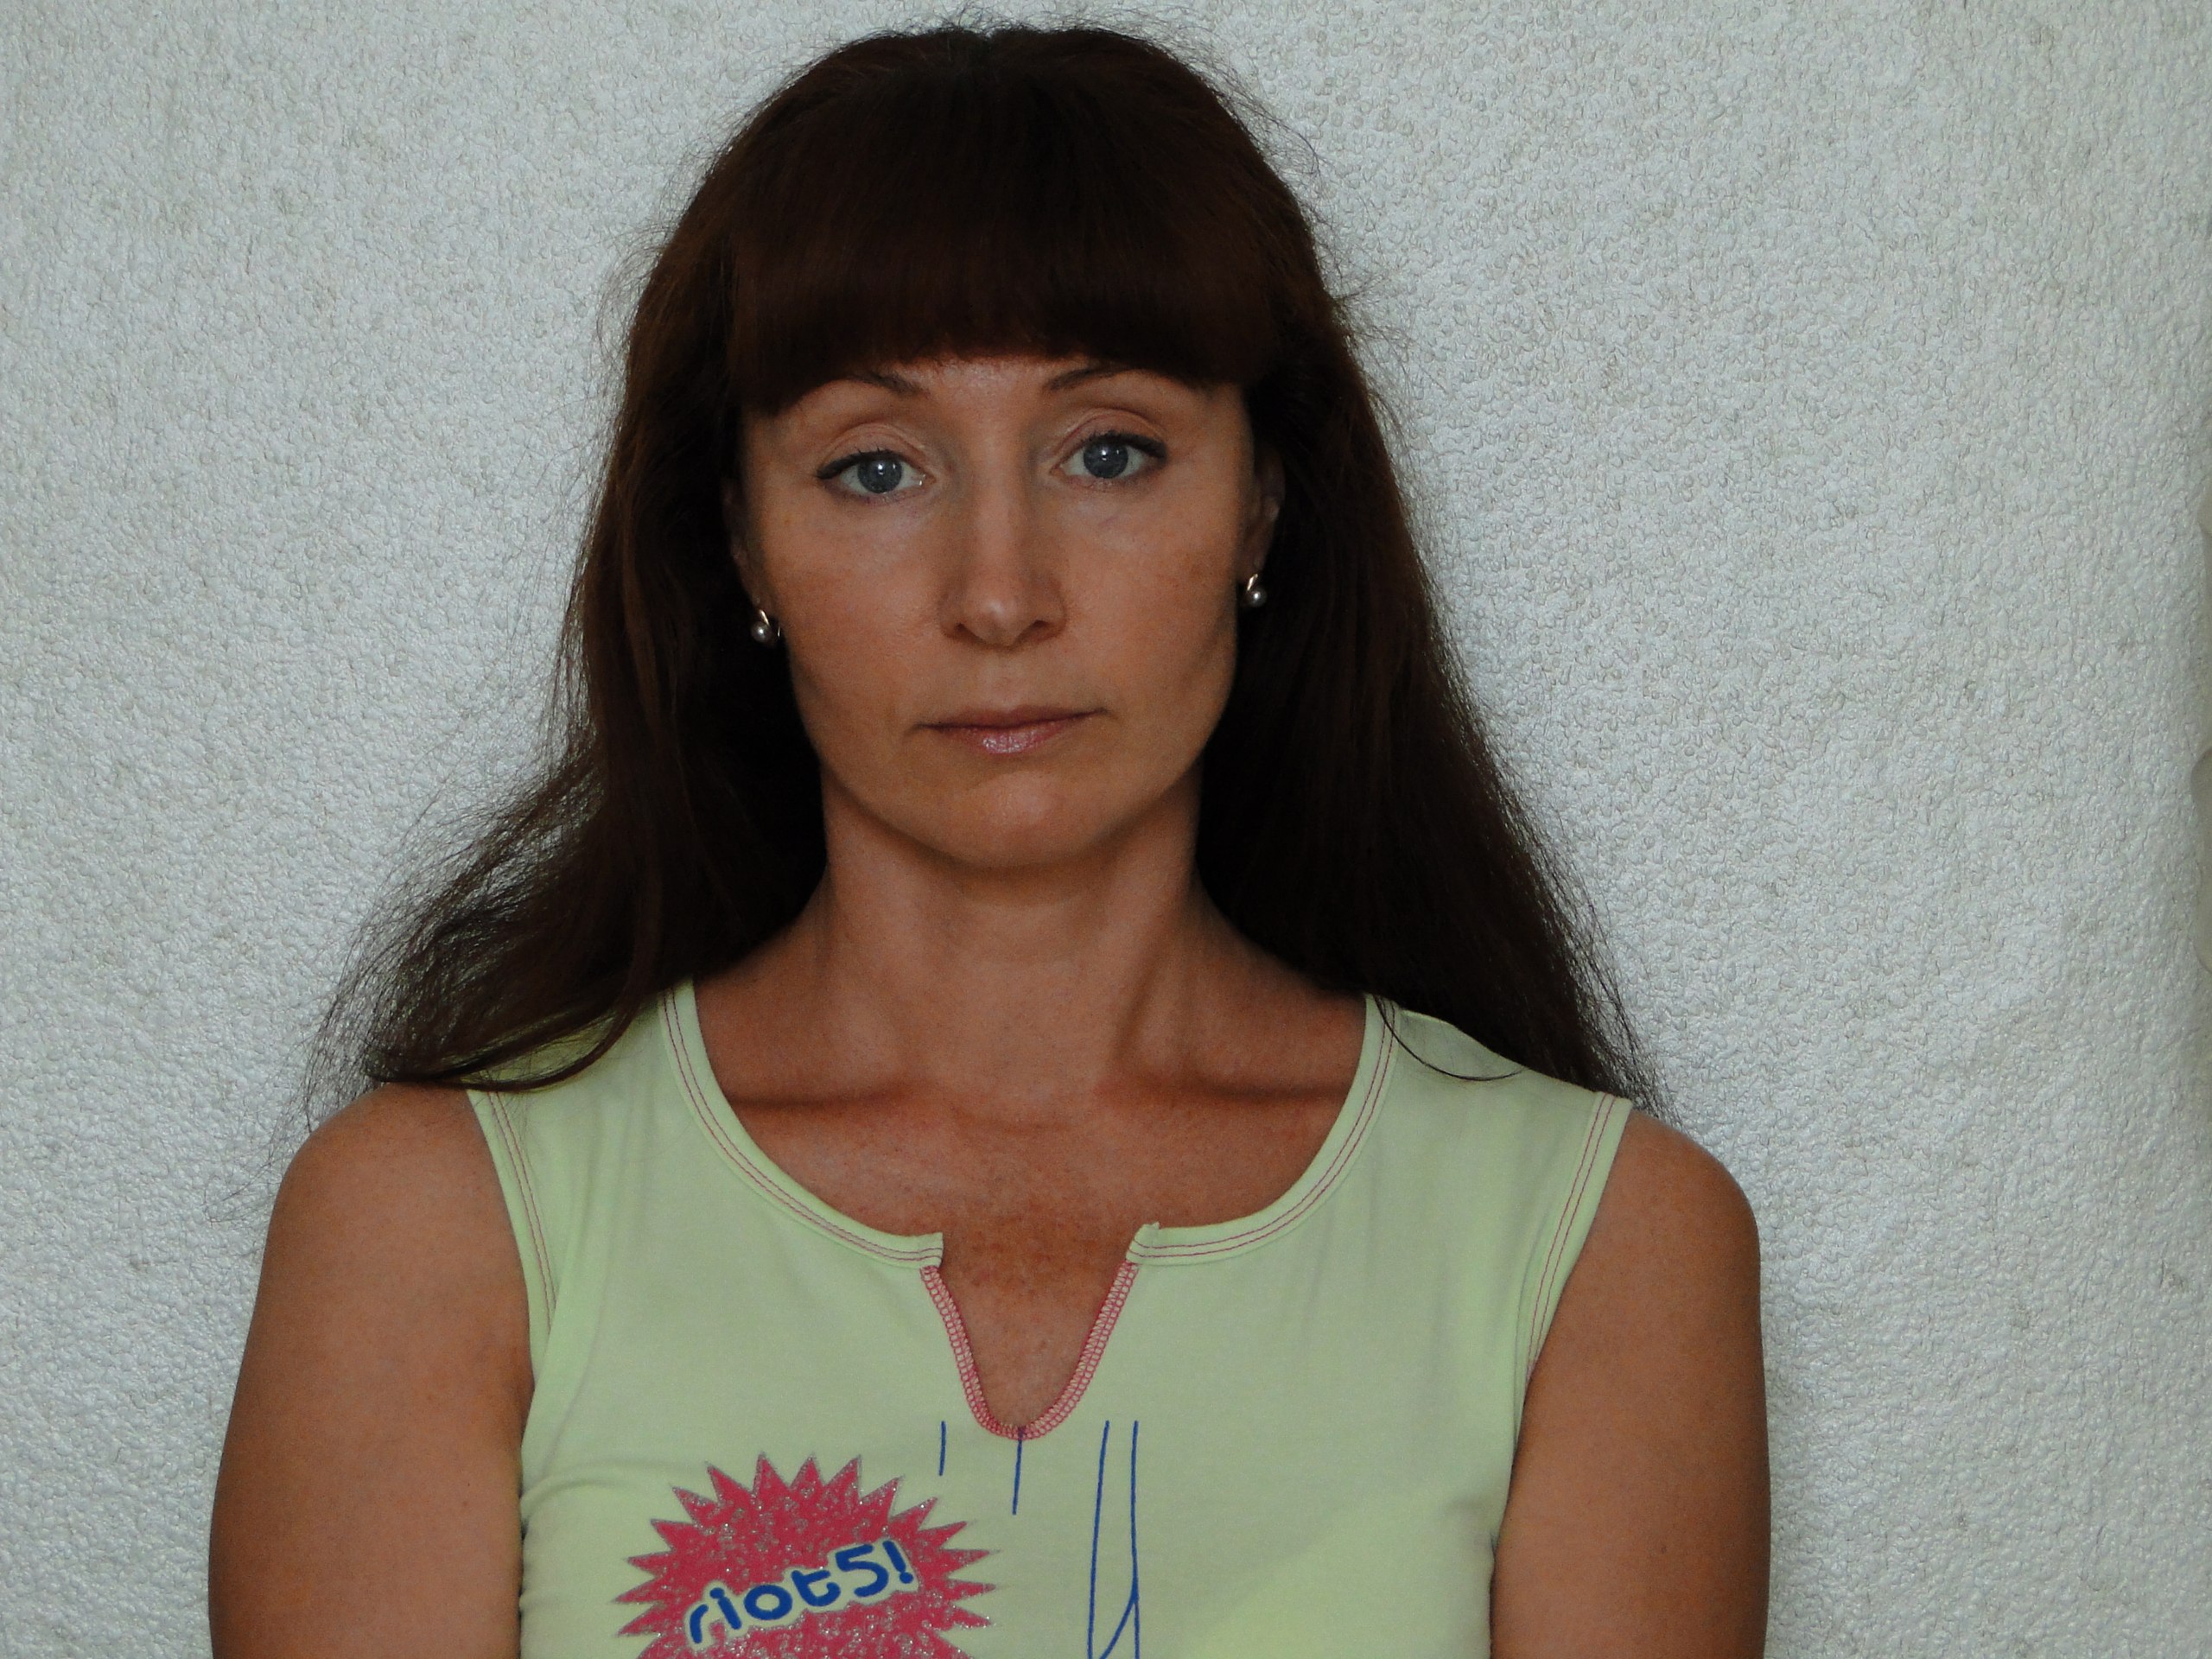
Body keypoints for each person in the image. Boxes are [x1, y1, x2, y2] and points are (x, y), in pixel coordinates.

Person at [208, 22, 1767, 1658]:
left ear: (1264, 504)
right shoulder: (434, 1227)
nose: (1001, 595)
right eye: (876, 469)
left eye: (1111, 453)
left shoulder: (1599, 1244)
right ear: (739, 537)